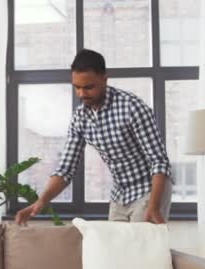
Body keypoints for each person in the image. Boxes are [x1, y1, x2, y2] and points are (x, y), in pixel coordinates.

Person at [15, 49, 173, 225]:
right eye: (77, 87)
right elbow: (66, 169)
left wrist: (154, 206)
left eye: (89, 87)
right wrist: (40, 202)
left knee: (138, 246)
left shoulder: (132, 107)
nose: (82, 94)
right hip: (121, 193)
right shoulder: (80, 117)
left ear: (104, 79)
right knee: (112, 248)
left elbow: (159, 161)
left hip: (149, 189)